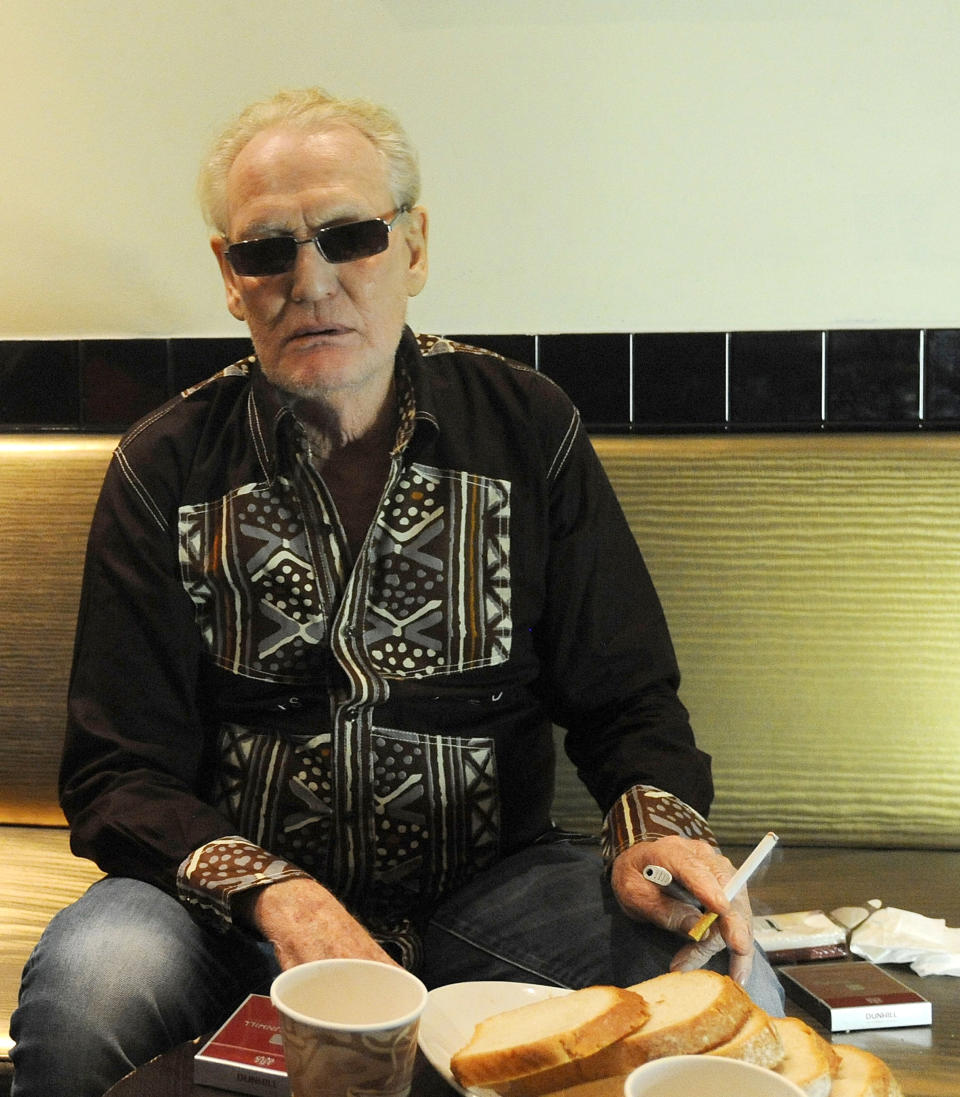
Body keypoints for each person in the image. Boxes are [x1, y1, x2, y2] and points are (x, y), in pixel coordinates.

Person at [11, 87, 783, 1096]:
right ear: (228, 276)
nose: (310, 279)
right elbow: (118, 773)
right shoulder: (163, 471)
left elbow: (626, 696)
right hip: (226, 919)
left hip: (496, 893)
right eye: (267, 250)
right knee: (86, 995)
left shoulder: (526, 428)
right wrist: (282, 897)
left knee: (721, 993)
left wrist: (658, 829)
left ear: (414, 247)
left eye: (350, 236)